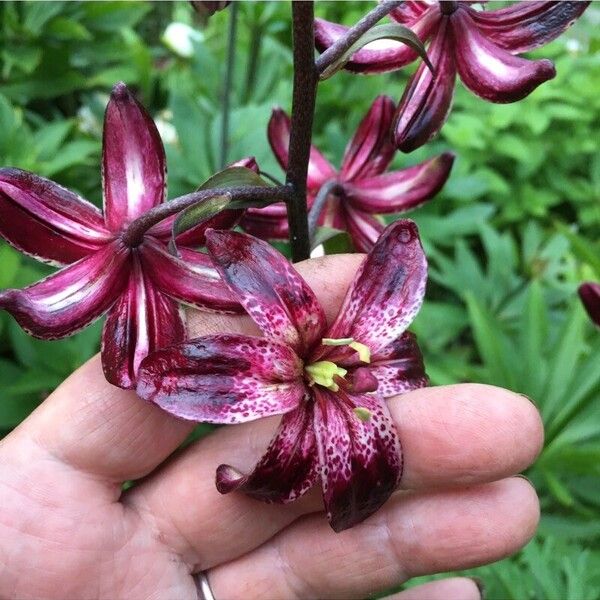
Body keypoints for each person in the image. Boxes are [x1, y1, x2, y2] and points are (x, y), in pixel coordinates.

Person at [0, 254, 542, 599]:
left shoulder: (358, 373)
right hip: (292, 364)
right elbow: (190, 364)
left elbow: (394, 364)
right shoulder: (320, 355)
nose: (335, 371)